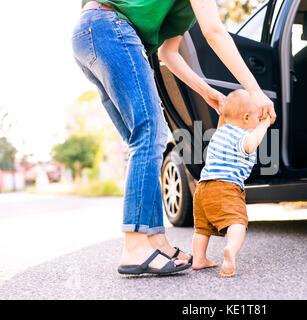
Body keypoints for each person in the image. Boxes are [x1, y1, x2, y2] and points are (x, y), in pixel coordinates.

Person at [72, 1, 276, 275]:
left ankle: (157, 241)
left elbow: (170, 53)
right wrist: (255, 91)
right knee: (149, 135)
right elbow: (214, 32)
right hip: (109, 28)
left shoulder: (185, 11)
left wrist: (207, 92)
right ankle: (134, 247)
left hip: (90, 34)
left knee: (142, 141)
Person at [192, 89, 272, 277]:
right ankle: (230, 251)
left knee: (202, 228)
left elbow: (224, 121)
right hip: (226, 187)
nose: (258, 119)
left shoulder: (219, 134)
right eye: (256, 116)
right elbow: (251, 144)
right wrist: (265, 124)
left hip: (202, 188)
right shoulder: (241, 135)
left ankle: (199, 258)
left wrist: (223, 112)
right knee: (237, 221)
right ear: (246, 117)